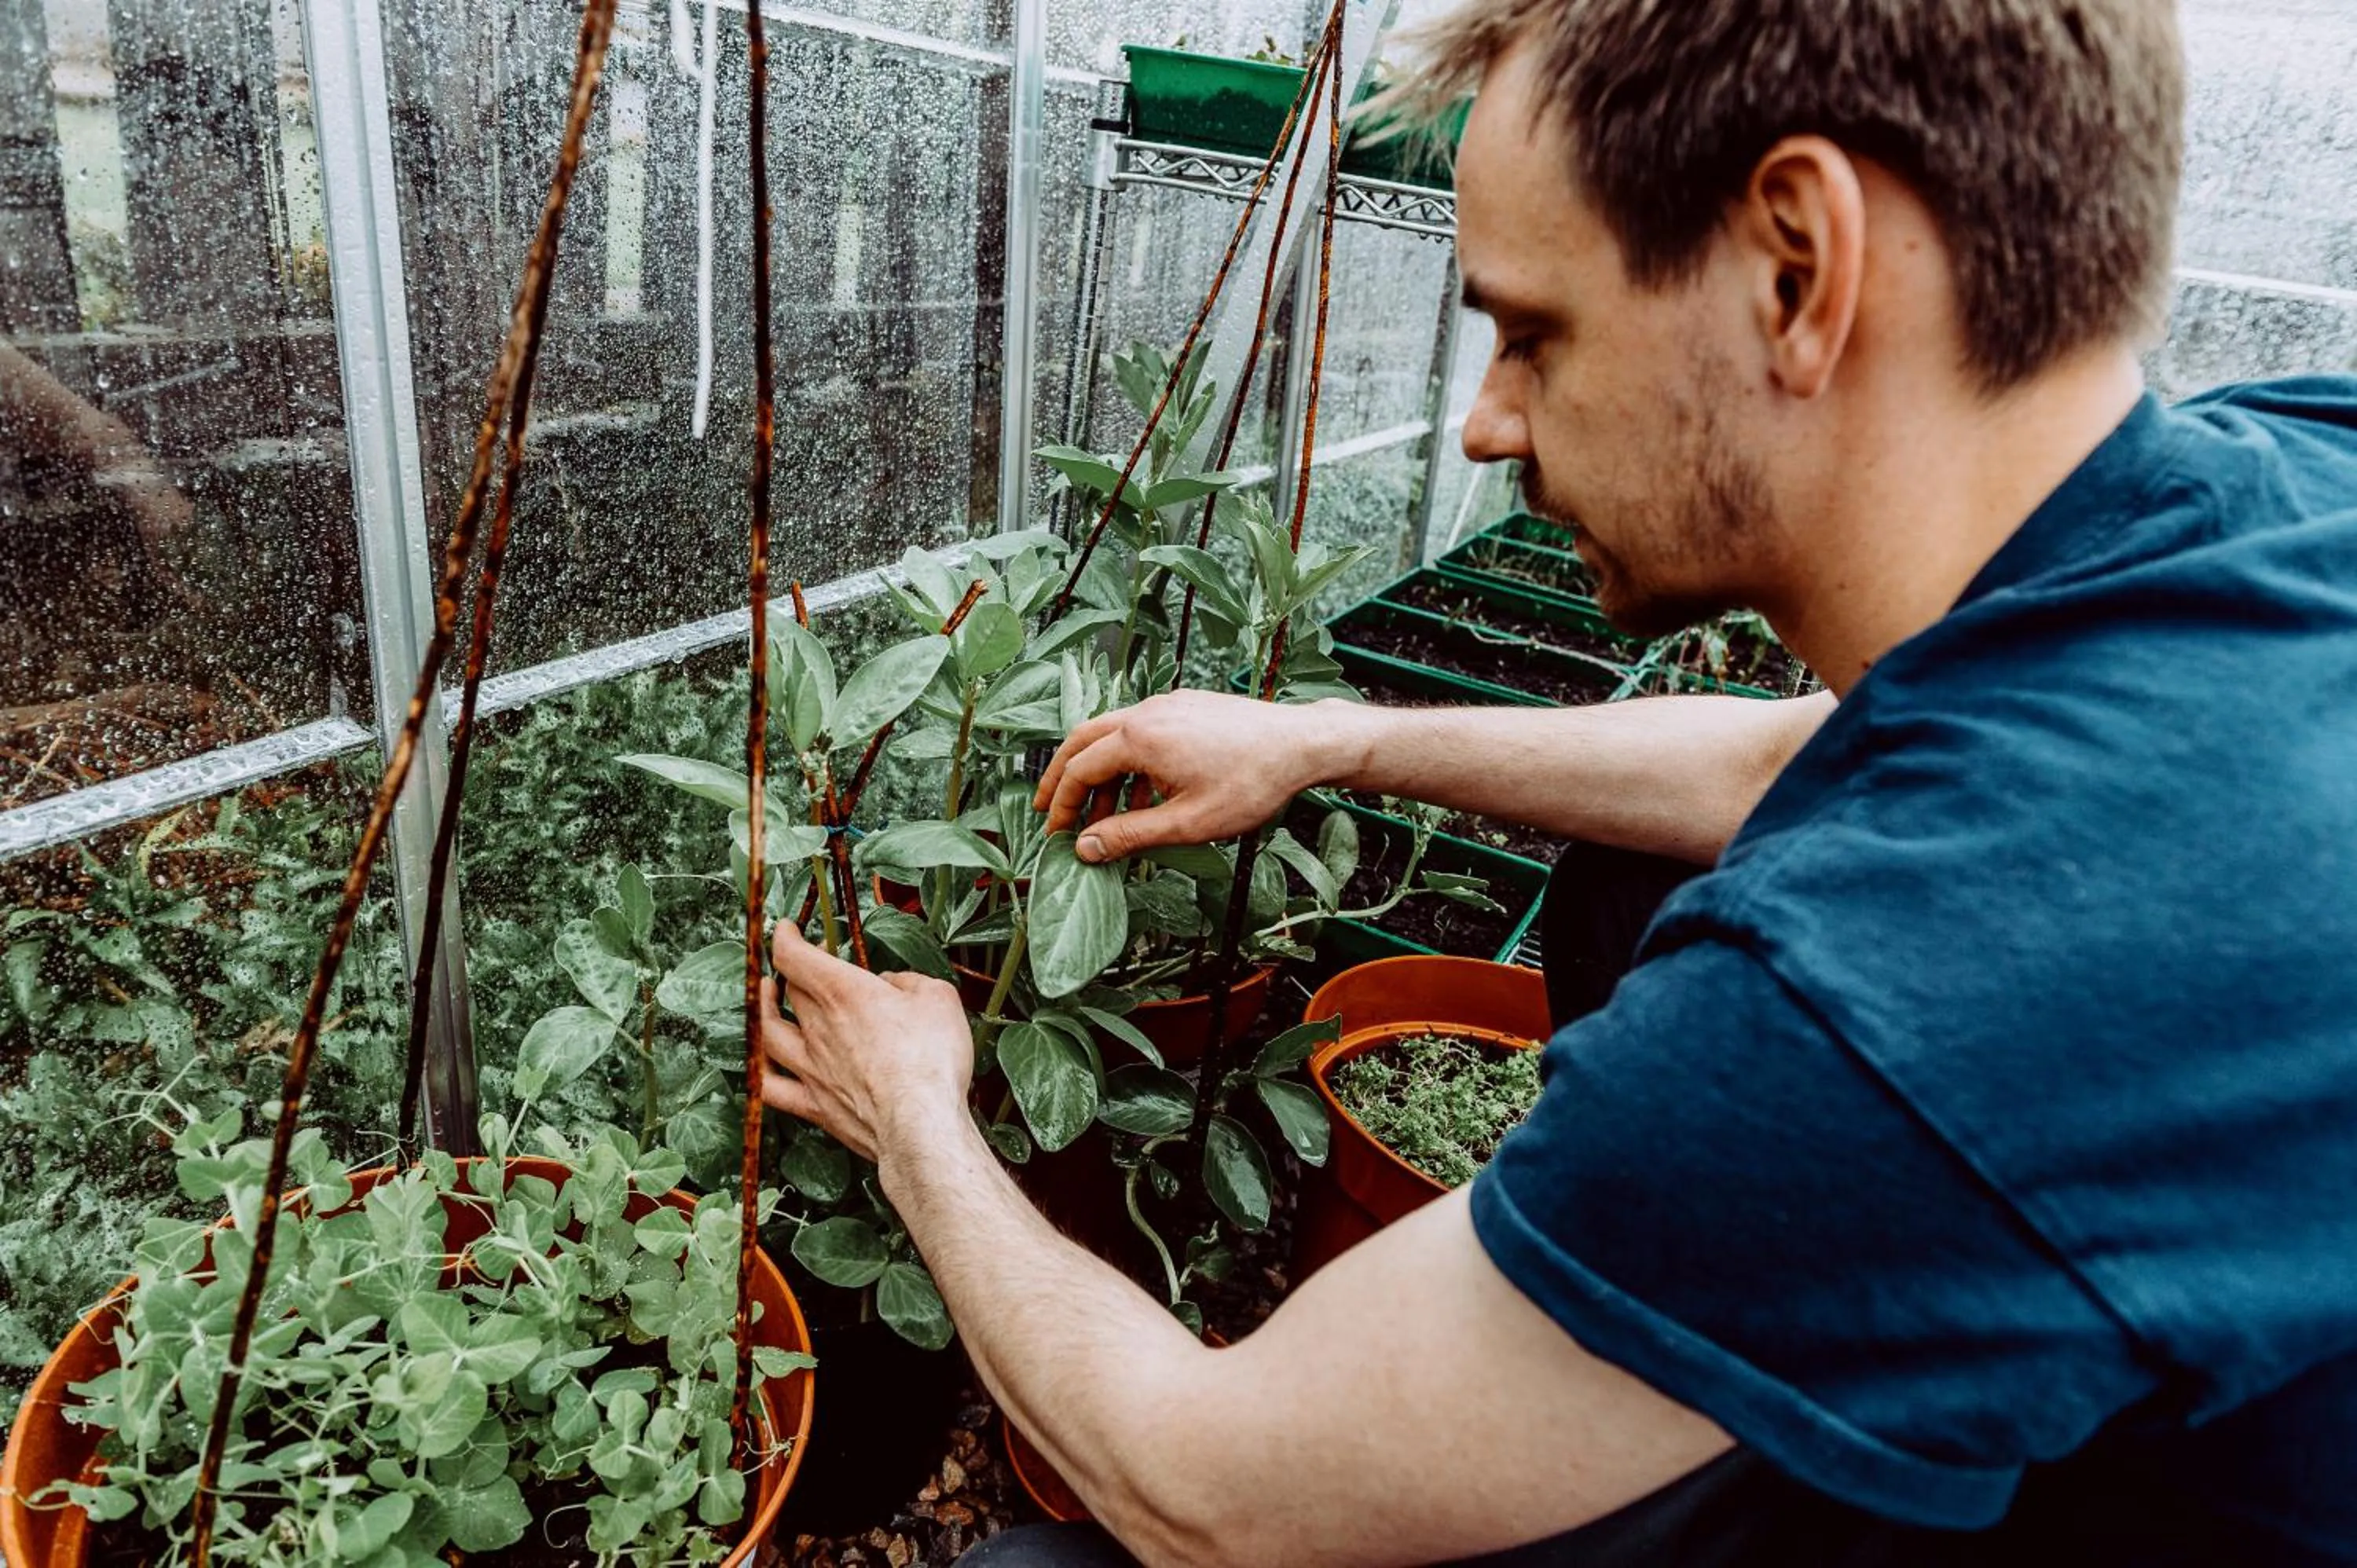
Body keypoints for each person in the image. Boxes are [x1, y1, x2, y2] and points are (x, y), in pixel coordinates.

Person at [757, 0, 2357, 1560]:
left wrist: (914, 1116)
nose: (1484, 422)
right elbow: (1805, 751)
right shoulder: (2287, 478)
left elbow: (1208, 1493)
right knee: (1627, 879)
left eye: (1534, 332)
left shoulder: (1897, 1002)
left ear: (1798, 265)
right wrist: (1334, 736)